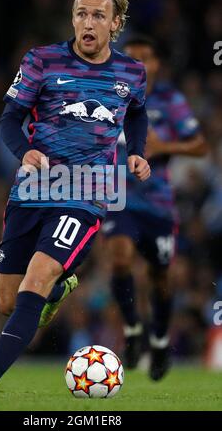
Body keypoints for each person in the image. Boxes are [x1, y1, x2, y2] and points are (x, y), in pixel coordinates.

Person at [0, 0, 150, 398]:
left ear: (115, 24)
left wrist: (136, 151)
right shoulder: (42, 61)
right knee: (7, 302)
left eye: (98, 15)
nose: (88, 22)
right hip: (32, 189)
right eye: (81, 13)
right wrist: (23, 152)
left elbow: (136, 113)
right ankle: (62, 287)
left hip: (87, 191)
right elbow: (10, 118)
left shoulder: (131, 71)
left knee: (36, 280)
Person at [102, 36, 208, 380]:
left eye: (145, 57)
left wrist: (165, 145)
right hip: (119, 198)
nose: (138, 63)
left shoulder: (169, 99)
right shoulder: (107, 94)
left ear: (157, 64)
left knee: (160, 277)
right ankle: (133, 328)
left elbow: (200, 144)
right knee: (119, 257)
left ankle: (160, 339)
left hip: (159, 204)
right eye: (131, 57)